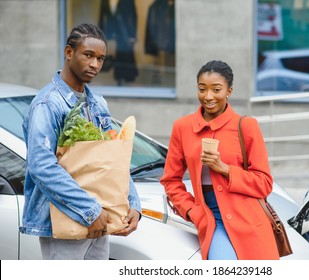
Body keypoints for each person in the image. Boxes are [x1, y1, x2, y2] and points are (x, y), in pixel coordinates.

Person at [19, 23, 141, 260]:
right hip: (66, 219)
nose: (95, 64)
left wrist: (132, 204)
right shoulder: (47, 104)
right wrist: (90, 210)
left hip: (100, 219)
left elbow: (114, 159)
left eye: (101, 59)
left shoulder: (98, 103)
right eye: (88, 55)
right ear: (68, 53)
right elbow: (42, 166)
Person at [160, 60, 279, 260]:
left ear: (229, 91)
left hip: (249, 218)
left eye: (216, 89)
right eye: (202, 89)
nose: (208, 97)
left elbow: (264, 183)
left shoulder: (246, 126)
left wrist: (224, 168)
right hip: (211, 216)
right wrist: (192, 211)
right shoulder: (183, 127)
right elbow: (171, 180)